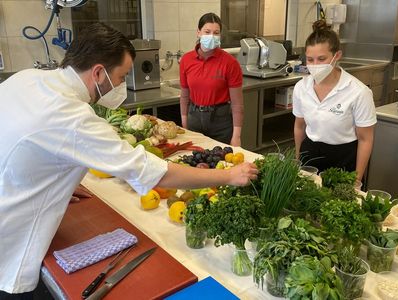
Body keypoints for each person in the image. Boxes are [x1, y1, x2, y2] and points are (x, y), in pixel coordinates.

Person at [0, 23, 258, 299]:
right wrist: (229, 176)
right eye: (121, 76)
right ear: (99, 72)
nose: (122, 85)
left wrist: (52, 182)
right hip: (12, 240)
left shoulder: (26, 78)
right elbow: (154, 173)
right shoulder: (71, 116)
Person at [293, 20, 376, 184]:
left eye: (321, 59)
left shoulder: (358, 92)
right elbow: (299, 126)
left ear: (337, 56)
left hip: (344, 158)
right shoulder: (301, 87)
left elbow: (365, 139)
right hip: (310, 153)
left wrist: (357, 179)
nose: (315, 65)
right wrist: (297, 160)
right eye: (310, 60)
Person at [179, 13, 244, 146]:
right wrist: (184, 126)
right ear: (198, 32)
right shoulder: (186, 60)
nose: (211, 36)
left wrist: (236, 137)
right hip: (194, 119)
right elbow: (184, 96)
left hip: (221, 122)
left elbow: (237, 104)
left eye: (216, 33)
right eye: (207, 32)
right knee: (194, 162)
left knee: (221, 164)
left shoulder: (230, 63)